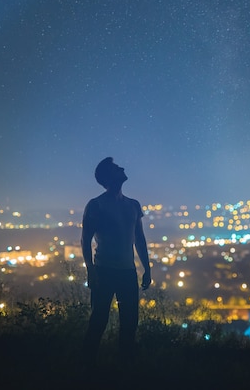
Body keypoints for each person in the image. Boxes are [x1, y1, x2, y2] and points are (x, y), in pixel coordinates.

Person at [81, 157, 151, 368]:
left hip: (127, 272)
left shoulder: (133, 205)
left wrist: (147, 268)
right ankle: (88, 366)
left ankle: (124, 366)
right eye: (116, 168)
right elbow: (85, 240)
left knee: (130, 323)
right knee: (98, 321)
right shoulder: (96, 205)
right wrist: (91, 271)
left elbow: (139, 238)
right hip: (104, 271)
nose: (122, 168)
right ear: (109, 177)